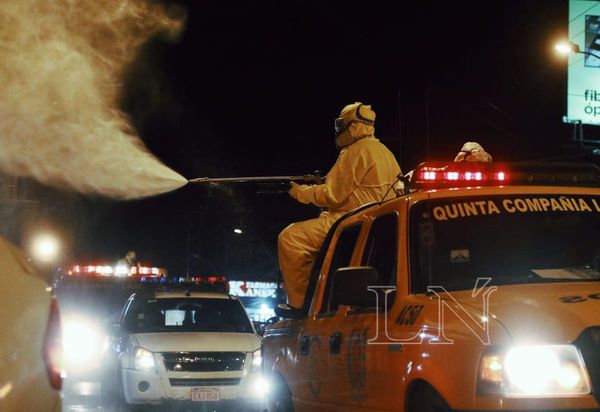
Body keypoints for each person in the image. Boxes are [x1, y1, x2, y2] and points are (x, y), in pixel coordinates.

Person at [277, 102, 401, 316]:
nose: (339, 130)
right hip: (373, 220)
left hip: (349, 222)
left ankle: (301, 304)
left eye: (341, 124)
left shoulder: (354, 151)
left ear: (353, 126)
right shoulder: (385, 152)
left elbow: (332, 195)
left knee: (291, 238)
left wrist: (296, 191)